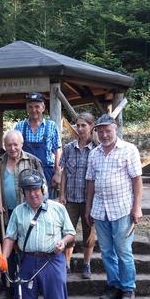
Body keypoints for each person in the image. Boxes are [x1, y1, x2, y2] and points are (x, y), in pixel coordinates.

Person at [2, 170, 76, 299]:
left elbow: (70, 233)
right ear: (23, 193)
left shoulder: (57, 209)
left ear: (43, 189)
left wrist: (63, 242)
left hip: (53, 261)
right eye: (28, 191)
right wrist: (2, 258)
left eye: (36, 189)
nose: (33, 194)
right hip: (27, 261)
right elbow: (10, 237)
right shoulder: (18, 211)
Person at [85, 114, 143, 299]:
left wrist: (137, 208)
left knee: (123, 251)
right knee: (107, 252)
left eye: (107, 131)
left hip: (122, 209)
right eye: (100, 131)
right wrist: (88, 208)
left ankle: (128, 288)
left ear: (115, 129)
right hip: (100, 210)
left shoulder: (129, 150)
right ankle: (114, 286)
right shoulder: (94, 154)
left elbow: (137, 180)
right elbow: (91, 183)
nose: (104, 135)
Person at [59, 113, 96, 279]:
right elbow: (64, 173)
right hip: (71, 199)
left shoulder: (96, 150)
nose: (80, 129)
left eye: (84, 125)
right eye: (78, 125)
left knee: (89, 234)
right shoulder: (68, 148)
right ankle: (66, 264)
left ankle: (86, 264)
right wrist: (61, 194)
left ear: (91, 126)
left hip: (90, 200)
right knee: (68, 232)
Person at [0, 129, 45, 220]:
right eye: (9, 145)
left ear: (22, 144)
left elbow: (43, 187)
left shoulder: (33, 161)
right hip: (5, 213)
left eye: (15, 144)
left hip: (28, 212)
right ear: (4, 146)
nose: (12, 148)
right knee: (7, 235)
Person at [14, 92, 62, 197]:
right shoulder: (20, 126)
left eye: (37, 106)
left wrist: (57, 172)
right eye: (30, 107)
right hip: (24, 171)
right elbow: (14, 150)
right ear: (27, 108)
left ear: (43, 107)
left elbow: (57, 150)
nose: (33, 110)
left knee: (46, 203)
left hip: (47, 172)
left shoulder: (51, 126)